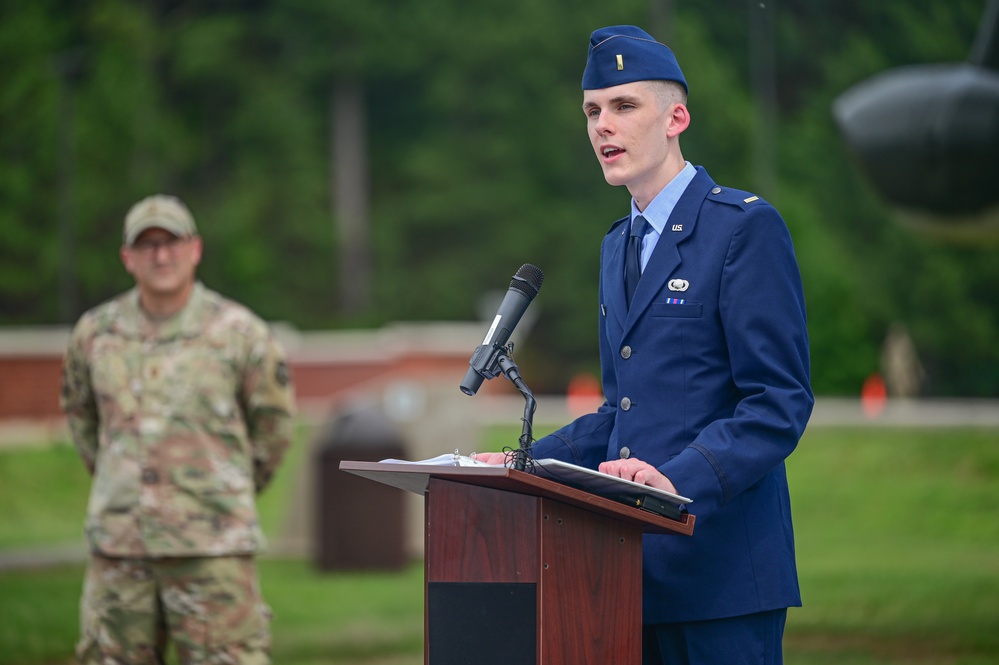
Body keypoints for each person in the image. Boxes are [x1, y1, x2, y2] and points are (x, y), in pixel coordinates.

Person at [479, 25, 813, 665]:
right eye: (592, 111)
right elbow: (621, 411)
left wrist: (675, 480)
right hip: (628, 576)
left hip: (721, 580)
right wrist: (518, 464)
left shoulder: (743, 228)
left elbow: (778, 402)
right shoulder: (618, 244)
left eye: (624, 106)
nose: (603, 125)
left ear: (675, 118)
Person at [60, 194, 295, 664]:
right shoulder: (95, 334)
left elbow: (273, 426)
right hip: (121, 550)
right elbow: (82, 418)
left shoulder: (240, 334)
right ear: (127, 257)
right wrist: (122, 483)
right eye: (147, 245)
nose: (161, 256)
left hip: (212, 550)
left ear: (195, 249)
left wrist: (223, 491)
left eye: (171, 242)